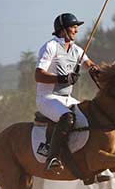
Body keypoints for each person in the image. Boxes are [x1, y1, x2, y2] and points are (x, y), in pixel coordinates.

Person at [35, 13, 101, 172]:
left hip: (67, 98)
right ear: (63, 30)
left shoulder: (77, 50)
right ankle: (52, 157)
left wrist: (94, 69)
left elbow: (89, 64)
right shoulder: (50, 47)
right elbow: (38, 75)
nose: (76, 30)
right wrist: (63, 78)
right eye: (73, 27)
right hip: (47, 98)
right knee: (67, 117)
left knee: (90, 115)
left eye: (77, 27)